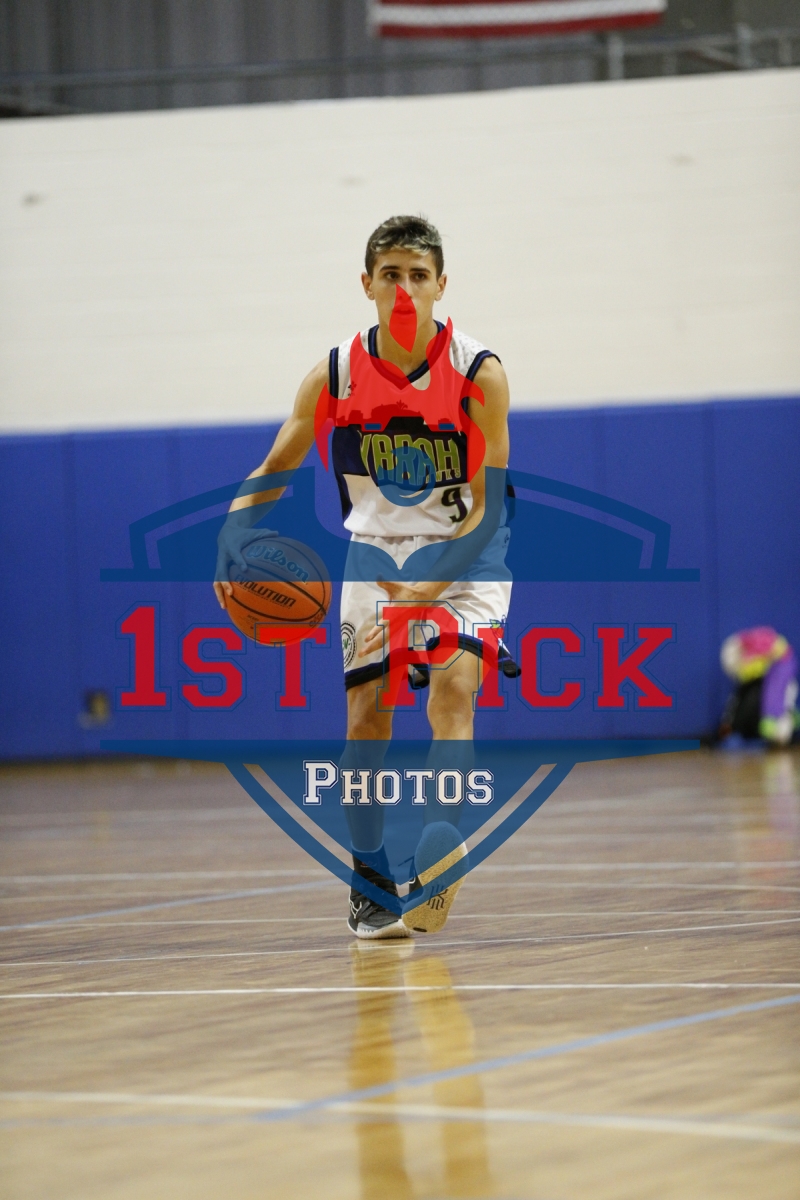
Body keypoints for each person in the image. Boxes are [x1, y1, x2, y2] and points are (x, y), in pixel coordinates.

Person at [214, 215, 513, 938]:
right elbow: (279, 460)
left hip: (465, 554)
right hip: (375, 556)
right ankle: (370, 880)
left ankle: (440, 849)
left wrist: (429, 591)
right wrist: (234, 528)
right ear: (368, 284)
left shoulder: (478, 374)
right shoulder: (336, 374)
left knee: (454, 691)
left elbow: (488, 507)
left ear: (441, 285)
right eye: (391, 275)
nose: (405, 289)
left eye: (419, 275)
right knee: (365, 723)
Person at [719, 626, 799, 747]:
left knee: (774, 703)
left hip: (782, 669)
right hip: (755, 731)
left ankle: (779, 726)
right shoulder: (751, 684)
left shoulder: (777, 677)